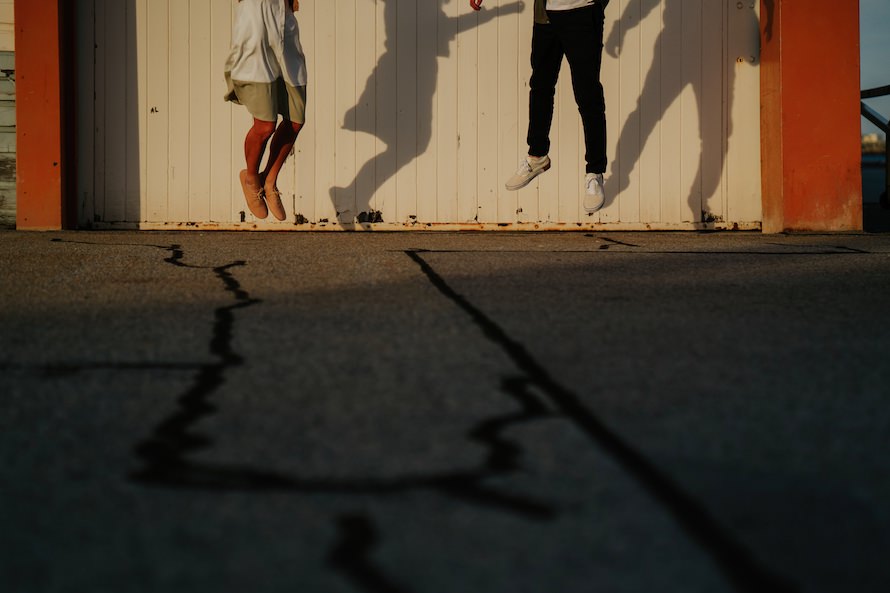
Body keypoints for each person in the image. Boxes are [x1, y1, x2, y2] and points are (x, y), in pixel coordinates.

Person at [470, 0, 609, 214]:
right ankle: (537, 156)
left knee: (587, 95)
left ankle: (595, 172)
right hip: (546, 15)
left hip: (582, 12)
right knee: (540, 86)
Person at [224, 0, 307, 221]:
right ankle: (251, 179)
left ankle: (269, 180)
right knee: (265, 125)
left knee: (296, 120)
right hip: (256, 19)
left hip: (283, 18)